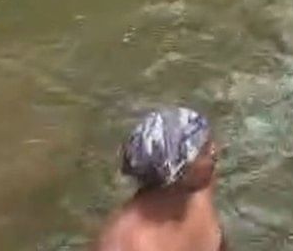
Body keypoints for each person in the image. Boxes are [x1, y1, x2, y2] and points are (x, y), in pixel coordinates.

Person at [94, 107, 226, 251]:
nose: (215, 150)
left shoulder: (201, 189)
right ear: (177, 172)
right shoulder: (125, 243)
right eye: (204, 150)